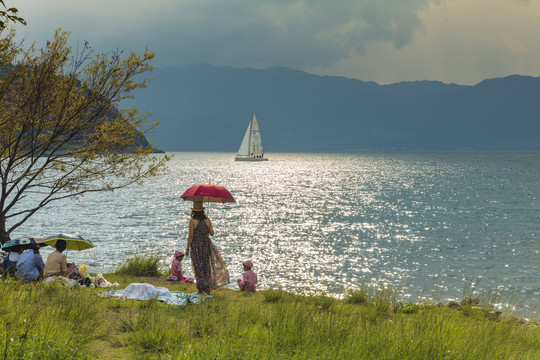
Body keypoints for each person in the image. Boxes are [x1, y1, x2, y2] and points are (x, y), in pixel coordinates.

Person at [185, 201, 230, 294]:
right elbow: (212, 233)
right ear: (202, 211)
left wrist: (187, 248)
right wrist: (209, 225)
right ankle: (207, 288)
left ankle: (201, 289)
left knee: (198, 267)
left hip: (196, 246)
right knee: (206, 266)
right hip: (206, 246)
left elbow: (190, 236)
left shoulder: (192, 221)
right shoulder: (208, 220)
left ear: (194, 211)